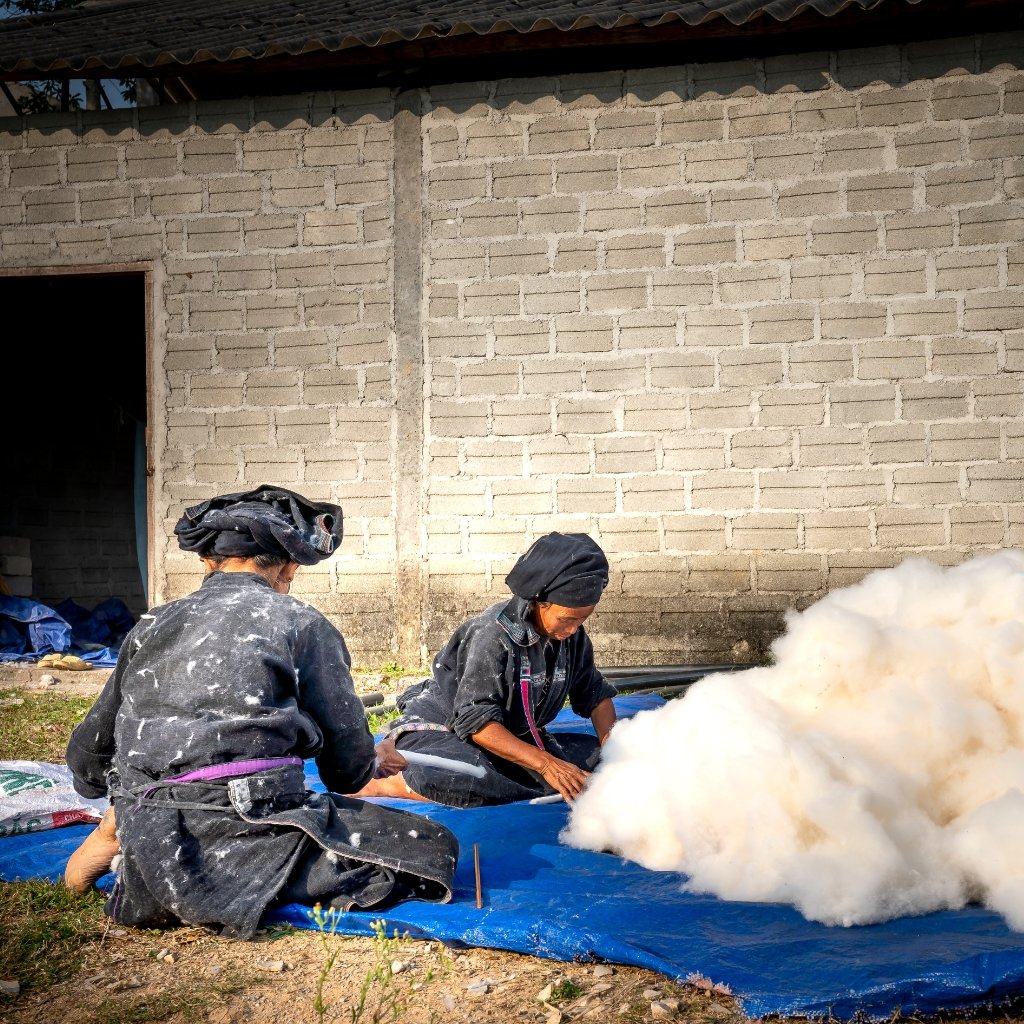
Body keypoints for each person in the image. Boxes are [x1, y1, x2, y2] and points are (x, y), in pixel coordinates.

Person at [64, 486, 457, 938]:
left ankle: (120, 837)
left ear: (207, 562)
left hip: (148, 821)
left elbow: (90, 752)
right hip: (247, 819)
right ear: (288, 567)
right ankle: (232, 881)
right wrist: (372, 758)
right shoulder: (301, 622)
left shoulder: (152, 623)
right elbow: (345, 773)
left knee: (157, 814)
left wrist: (103, 789)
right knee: (431, 847)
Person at [354, 532, 618, 808]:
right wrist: (546, 765)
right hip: (448, 729)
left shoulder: (571, 636)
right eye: (567, 619)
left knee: (593, 761)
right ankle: (392, 782)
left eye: (582, 619)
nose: (574, 629)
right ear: (539, 601)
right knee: (474, 778)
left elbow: (595, 695)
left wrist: (616, 754)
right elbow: (477, 722)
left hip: (507, 733)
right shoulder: (491, 635)